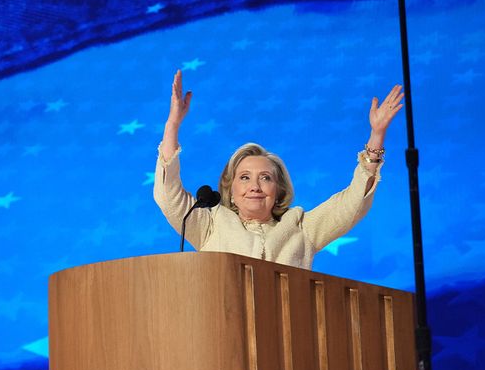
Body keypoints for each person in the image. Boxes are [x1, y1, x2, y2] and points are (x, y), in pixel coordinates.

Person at [154, 70, 404, 270]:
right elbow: (168, 195)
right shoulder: (210, 224)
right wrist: (172, 124)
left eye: (265, 178)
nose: (255, 186)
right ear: (230, 191)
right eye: (244, 178)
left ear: (279, 190)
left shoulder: (301, 227)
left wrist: (376, 136)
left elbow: (352, 204)